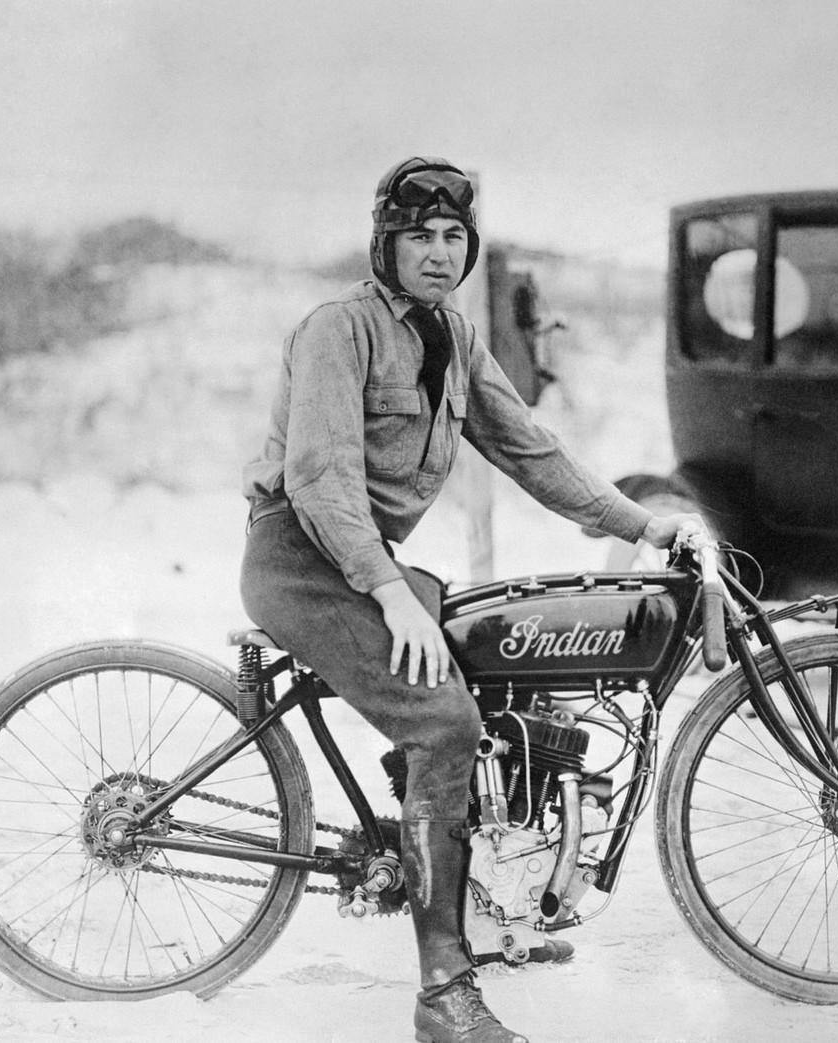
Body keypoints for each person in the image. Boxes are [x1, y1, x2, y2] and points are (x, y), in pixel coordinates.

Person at [241, 156, 703, 1043]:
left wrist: (644, 526)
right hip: (301, 560)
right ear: (386, 241)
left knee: (490, 672)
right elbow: (321, 480)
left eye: (455, 237)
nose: (440, 252)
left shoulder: (453, 338)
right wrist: (391, 595)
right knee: (442, 724)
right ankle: (442, 993)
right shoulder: (337, 329)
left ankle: (479, 903)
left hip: (362, 562)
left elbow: (532, 449)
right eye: (421, 235)